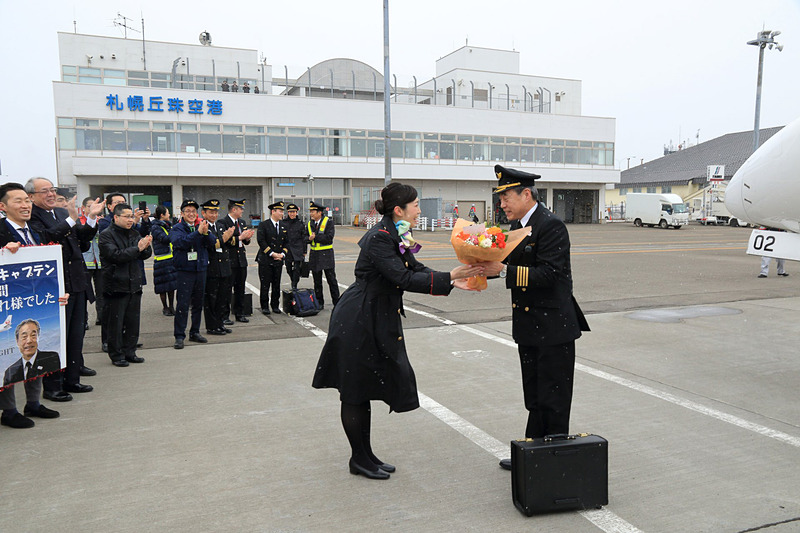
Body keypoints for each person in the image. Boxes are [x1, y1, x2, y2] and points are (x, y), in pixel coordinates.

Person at [312, 183, 483, 479]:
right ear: (398, 210)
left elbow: (414, 268)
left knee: (364, 387)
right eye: (415, 205)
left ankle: (366, 455)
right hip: (359, 319)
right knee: (354, 391)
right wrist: (448, 278)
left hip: (376, 316)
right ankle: (359, 458)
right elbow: (401, 277)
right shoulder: (380, 238)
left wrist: (452, 280)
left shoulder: (396, 233)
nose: (419, 209)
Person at [480, 165, 590, 471]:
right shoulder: (521, 227)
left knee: (553, 400)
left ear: (526, 194)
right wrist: (478, 269)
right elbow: (507, 265)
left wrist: (503, 270)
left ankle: (553, 465)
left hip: (553, 329)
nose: (501, 204)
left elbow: (551, 274)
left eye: (505, 197)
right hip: (529, 327)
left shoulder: (550, 226)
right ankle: (531, 453)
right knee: (535, 395)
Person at [27, 177, 105, 400]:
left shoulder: (61, 214)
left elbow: (82, 241)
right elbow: (46, 238)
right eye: (45, 191)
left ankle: (72, 380)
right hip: (55, 286)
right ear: (31, 196)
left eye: (52, 190)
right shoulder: (32, 216)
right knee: (56, 337)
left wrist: (90, 219)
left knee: (76, 334)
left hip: (77, 282)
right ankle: (53, 387)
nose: (51, 194)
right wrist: (72, 220)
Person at [0, 183, 69, 428]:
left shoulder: (35, 232)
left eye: (27, 201)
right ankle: (9, 410)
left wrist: (56, 294)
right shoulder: (1, 231)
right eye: (17, 201)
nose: (25, 205)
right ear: (3, 206)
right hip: (7, 306)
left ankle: (33, 403)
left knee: (34, 350)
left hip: (34, 302)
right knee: (8, 354)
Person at [99, 203, 152, 366]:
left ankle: (130, 352)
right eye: (127, 217)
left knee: (132, 321)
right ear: (116, 217)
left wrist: (145, 248)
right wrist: (138, 248)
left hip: (134, 284)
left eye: (131, 217)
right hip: (116, 285)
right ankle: (116, 355)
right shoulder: (106, 235)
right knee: (116, 323)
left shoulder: (134, 233)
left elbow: (144, 254)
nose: (131, 220)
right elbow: (116, 256)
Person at [1, 319, 62, 429]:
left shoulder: (50, 357)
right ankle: (9, 412)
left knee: (35, 361)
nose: (29, 340)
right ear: (17, 341)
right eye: (24, 337)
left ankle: (33, 404)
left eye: (34, 335)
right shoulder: (11, 370)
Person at [171, 200, 215, 349]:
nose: (191, 214)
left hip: (200, 269)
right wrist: (197, 233)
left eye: (193, 211)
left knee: (198, 304)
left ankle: (195, 332)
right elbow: (180, 243)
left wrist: (205, 232)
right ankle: (179, 335)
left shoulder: (202, 226)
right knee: (183, 304)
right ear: (182, 214)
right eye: (187, 211)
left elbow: (212, 242)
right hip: (185, 271)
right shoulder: (177, 228)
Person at [201, 199, 235, 336]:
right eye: (211, 212)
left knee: (222, 298)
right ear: (204, 213)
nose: (214, 215)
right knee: (211, 300)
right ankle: (212, 326)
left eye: (215, 212)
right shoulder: (204, 228)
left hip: (224, 268)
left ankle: (220, 324)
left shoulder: (219, 226)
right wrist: (224, 239)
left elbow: (227, 244)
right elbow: (210, 245)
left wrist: (235, 238)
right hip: (212, 268)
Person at [218, 199, 255, 323]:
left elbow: (244, 241)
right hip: (230, 259)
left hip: (241, 260)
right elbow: (225, 241)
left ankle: (240, 313)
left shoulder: (242, 222)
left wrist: (247, 238)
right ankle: (224, 315)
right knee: (227, 289)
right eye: (240, 209)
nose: (242, 211)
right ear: (234, 209)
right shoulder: (223, 222)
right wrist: (240, 237)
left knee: (240, 288)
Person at [307, 201, 340, 310]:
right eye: (310, 211)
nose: (311, 214)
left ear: (320, 212)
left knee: (331, 280)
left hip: (326, 255)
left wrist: (314, 237)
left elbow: (328, 238)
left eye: (313, 211)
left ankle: (337, 302)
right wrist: (308, 239)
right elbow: (304, 238)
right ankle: (319, 302)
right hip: (314, 255)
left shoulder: (328, 222)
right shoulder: (309, 224)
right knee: (317, 281)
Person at [256, 201, 288, 315]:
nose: (282, 213)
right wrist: (272, 253)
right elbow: (261, 241)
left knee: (276, 283)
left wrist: (282, 254)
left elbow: (287, 243)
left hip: (279, 259)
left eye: (282, 211)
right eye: (280, 211)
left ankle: (275, 305)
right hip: (266, 259)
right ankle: (264, 306)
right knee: (265, 284)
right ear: (273, 211)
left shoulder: (284, 226)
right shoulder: (263, 225)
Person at [80, 197, 104, 330]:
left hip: (99, 262)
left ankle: (101, 317)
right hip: (85, 262)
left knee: (101, 292)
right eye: (89, 206)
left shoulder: (100, 221)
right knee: (84, 293)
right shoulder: (79, 222)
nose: (92, 208)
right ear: (83, 208)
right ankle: (84, 319)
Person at [151, 205, 177, 316]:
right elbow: (164, 239)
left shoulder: (167, 225)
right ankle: (165, 307)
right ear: (162, 215)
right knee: (162, 287)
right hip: (161, 260)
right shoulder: (156, 227)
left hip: (170, 259)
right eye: (167, 213)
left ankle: (171, 306)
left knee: (171, 286)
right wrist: (175, 231)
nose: (169, 215)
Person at [283, 203, 306, 290]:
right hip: (287, 249)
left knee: (297, 269)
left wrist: (304, 251)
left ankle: (294, 284)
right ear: (288, 213)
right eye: (290, 212)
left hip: (298, 249)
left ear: (296, 213)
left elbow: (304, 237)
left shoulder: (300, 223)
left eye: (294, 212)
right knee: (288, 268)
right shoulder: (283, 223)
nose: (292, 214)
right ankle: (293, 280)